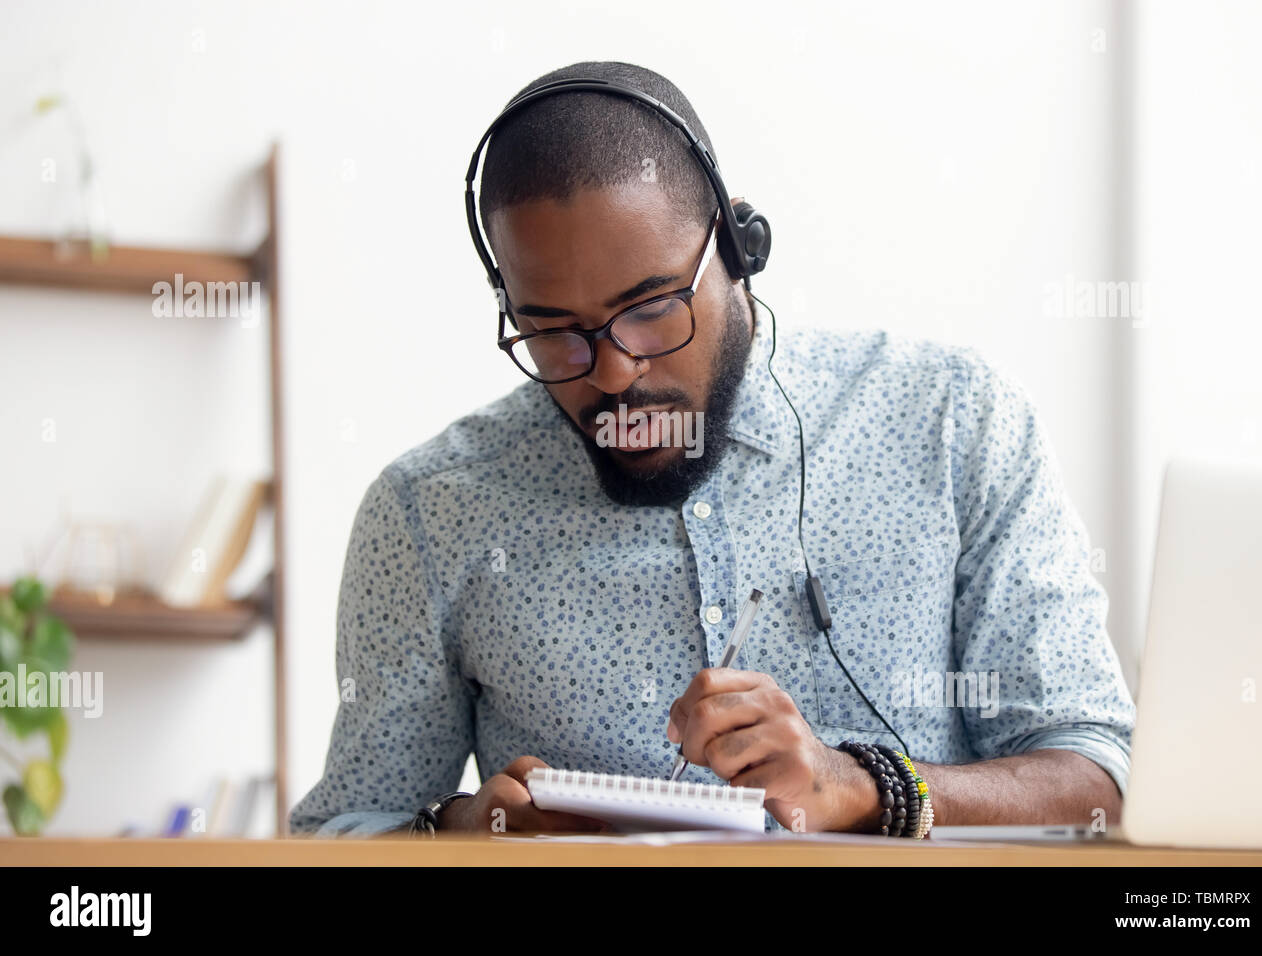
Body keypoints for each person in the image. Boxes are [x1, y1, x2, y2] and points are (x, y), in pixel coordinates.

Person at [290, 60, 1134, 837]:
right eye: (554, 334)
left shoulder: (954, 423)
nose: (616, 374)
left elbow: (1101, 777)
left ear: (738, 248)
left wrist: (869, 787)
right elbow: (343, 835)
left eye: (653, 307)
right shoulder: (429, 511)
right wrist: (461, 838)